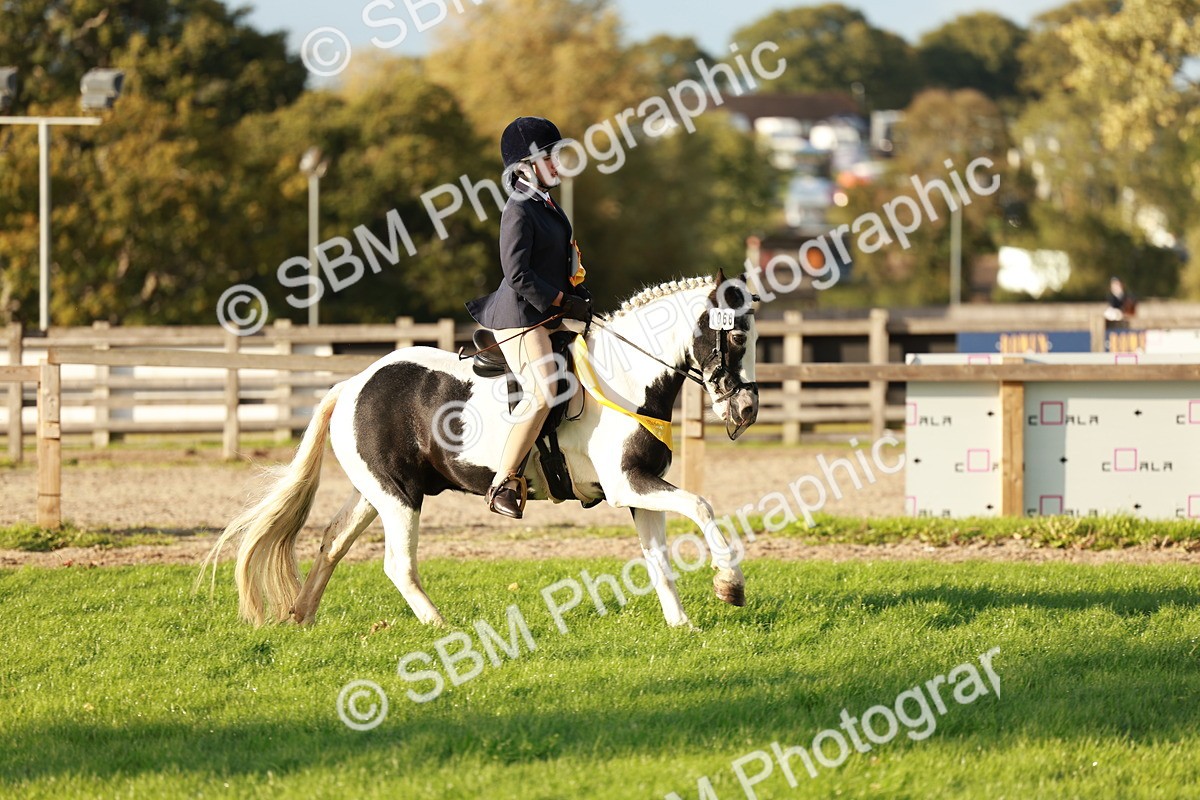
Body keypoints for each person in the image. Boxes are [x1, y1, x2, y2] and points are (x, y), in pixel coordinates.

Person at [465, 116, 592, 518]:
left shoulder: (548, 206)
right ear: (525, 165)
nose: (559, 164)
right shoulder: (518, 209)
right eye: (551, 158)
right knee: (544, 391)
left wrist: (579, 297)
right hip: (520, 316)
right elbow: (517, 274)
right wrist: (559, 301)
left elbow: (563, 263)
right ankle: (504, 480)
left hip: (548, 311)